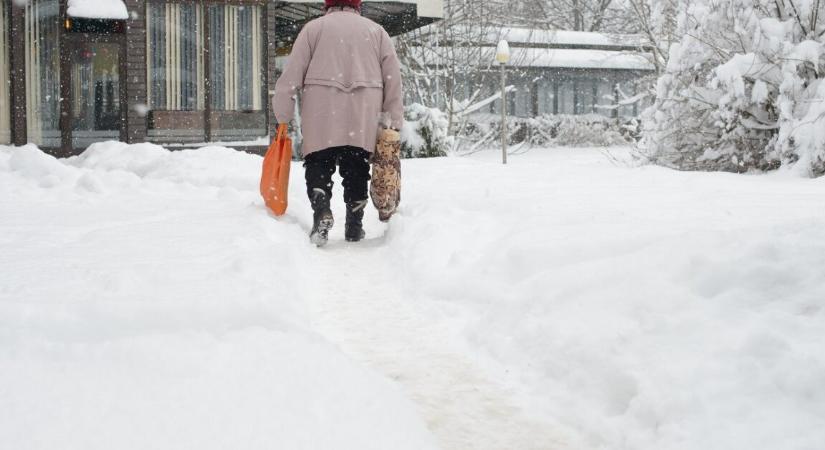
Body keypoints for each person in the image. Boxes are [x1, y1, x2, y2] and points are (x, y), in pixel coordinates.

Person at [272, 0, 403, 247]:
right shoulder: (376, 32)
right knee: (357, 166)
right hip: (362, 112)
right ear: (357, 4)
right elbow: (392, 78)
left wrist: (283, 116)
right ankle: (354, 224)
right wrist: (392, 120)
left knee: (318, 163)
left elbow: (291, 76)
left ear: (328, 4)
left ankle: (322, 208)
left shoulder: (313, 29)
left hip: (322, 112)